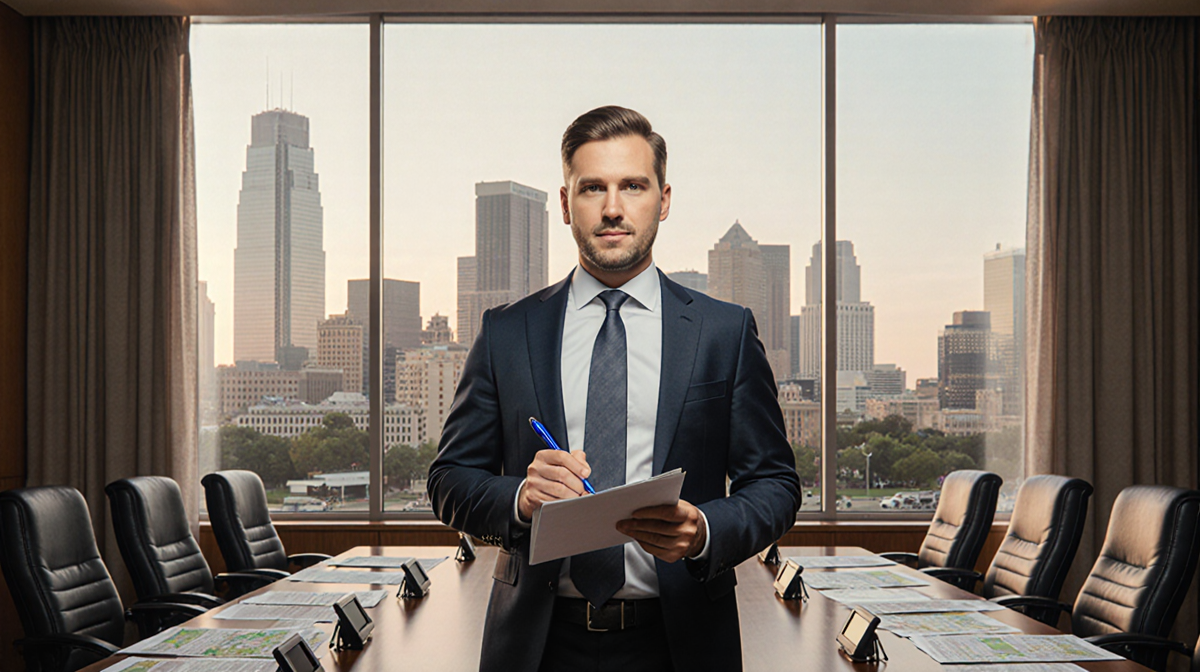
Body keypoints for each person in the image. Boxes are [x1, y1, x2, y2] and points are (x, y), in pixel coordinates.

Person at [428, 105, 801, 672]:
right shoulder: (507, 332)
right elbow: (449, 480)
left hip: (681, 645)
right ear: (564, 202)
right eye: (592, 188)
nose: (612, 208)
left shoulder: (723, 332)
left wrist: (703, 530)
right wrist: (521, 501)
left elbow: (775, 483)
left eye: (633, 185)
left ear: (664, 199)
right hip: (536, 646)